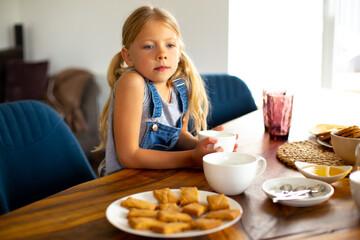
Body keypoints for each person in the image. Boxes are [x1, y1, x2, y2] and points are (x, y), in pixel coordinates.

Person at [96, 6, 236, 176]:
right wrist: (191, 158)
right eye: (148, 46)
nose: (162, 53)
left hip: (161, 178)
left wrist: (207, 147)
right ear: (128, 56)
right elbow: (129, 156)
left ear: (179, 52)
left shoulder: (180, 87)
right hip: (125, 184)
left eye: (170, 45)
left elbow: (177, 137)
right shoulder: (132, 83)